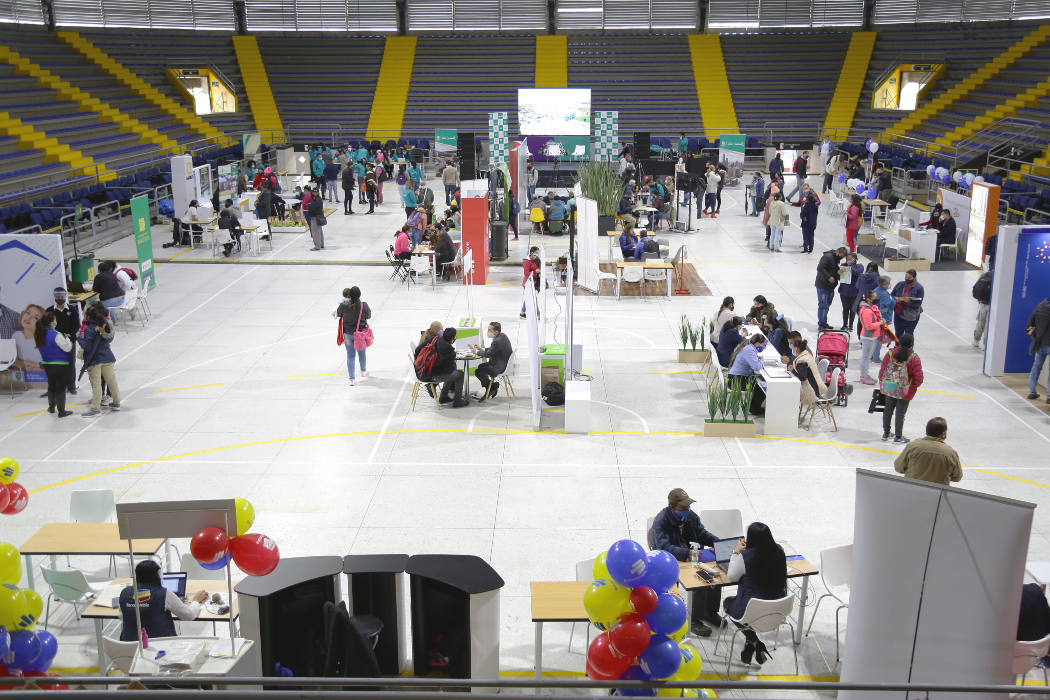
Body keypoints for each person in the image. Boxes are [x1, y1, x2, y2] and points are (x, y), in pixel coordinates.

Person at [651, 488, 720, 638]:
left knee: (716, 574)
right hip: (670, 560)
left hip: (692, 555)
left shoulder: (690, 516)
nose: (687, 509)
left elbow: (702, 533)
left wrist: (719, 544)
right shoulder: (661, 521)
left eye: (688, 506)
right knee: (701, 579)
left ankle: (710, 612)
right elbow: (663, 547)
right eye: (683, 507)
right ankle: (694, 619)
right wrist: (686, 553)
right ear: (672, 507)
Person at [723, 522, 787, 665]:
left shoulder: (745, 556)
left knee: (728, 603)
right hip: (778, 610)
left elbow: (732, 577)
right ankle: (752, 644)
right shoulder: (779, 551)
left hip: (751, 611)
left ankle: (755, 642)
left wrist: (735, 553)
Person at [119, 560, 208, 642]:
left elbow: (121, 616)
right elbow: (189, 615)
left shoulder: (125, 592)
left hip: (130, 647)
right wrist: (196, 601)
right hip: (159, 645)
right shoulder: (163, 594)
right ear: (158, 576)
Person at [879, 333, 923, 443]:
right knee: (900, 413)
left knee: (888, 410)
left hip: (890, 387)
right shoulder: (914, 358)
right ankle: (898, 437)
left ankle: (886, 433)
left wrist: (882, 383)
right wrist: (913, 387)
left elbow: (883, 370)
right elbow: (918, 377)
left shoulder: (890, 353)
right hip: (905, 390)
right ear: (912, 344)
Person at [78, 305, 120, 417]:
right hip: (108, 357)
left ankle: (95, 409)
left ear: (87, 316)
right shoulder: (107, 326)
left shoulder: (89, 330)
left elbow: (87, 347)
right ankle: (116, 402)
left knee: (96, 385)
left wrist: (79, 338)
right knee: (111, 381)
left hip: (94, 360)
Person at [894, 417, 962, 485]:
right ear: (943, 434)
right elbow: (957, 477)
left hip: (913, 490)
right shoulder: (950, 452)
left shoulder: (913, 446)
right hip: (937, 493)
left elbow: (898, 467)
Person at [418, 327, 468, 407]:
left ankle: (444, 396)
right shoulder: (450, 352)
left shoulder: (437, 340)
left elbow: (418, 349)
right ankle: (457, 400)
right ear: (452, 340)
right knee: (460, 374)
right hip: (435, 376)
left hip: (426, 371)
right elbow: (447, 371)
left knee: (453, 371)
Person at [35, 312, 73, 417]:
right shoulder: (56, 335)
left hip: (47, 364)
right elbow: (67, 348)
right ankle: (61, 411)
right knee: (60, 388)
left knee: (51, 386)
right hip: (60, 364)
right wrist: (67, 339)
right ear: (51, 323)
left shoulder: (39, 334)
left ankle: (51, 407)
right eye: (55, 320)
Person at [46, 287, 79, 396]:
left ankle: (71, 386)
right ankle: (57, 387)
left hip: (69, 341)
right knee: (56, 365)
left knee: (70, 364)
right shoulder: (49, 310)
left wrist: (69, 334)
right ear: (54, 297)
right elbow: (46, 325)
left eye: (62, 297)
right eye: (57, 297)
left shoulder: (72, 309)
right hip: (55, 342)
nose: (60, 299)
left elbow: (76, 325)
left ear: (65, 296)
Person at [471, 322, 512, 401]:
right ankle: (491, 387)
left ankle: (491, 387)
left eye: (489, 330)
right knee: (480, 366)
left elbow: (487, 355)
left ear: (496, 332)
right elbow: (493, 349)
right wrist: (481, 349)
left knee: (477, 372)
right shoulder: (502, 336)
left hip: (499, 367)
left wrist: (476, 352)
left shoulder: (497, 341)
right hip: (503, 363)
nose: (488, 332)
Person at [729, 333, 767, 416]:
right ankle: (754, 409)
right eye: (763, 345)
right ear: (757, 344)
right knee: (761, 388)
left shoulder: (749, 348)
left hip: (738, 376)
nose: (763, 347)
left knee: (758, 385)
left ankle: (753, 407)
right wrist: (761, 362)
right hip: (736, 380)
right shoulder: (749, 350)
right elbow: (757, 367)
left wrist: (757, 360)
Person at [337, 287, 369, 385]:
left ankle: (352, 379)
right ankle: (363, 371)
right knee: (362, 352)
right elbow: (368, 316)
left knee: (350, 356)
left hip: (348, 333)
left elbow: (338, 313)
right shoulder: (364, 305)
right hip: (360, 334)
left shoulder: (344, 305)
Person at [857, 290, 887, 385]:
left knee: (868, 357)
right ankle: (863, 376)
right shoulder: (866, 311)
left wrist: (880, 320)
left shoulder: (872, 308)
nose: (876, 299)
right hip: (868, 337)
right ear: (869, 299)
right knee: (865, 357)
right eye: (874, 297)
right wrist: (880, 323)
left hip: (873, 336)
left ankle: (866, 374)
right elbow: (868, 326)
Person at [787, 337, 826, 411]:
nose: (791, 348)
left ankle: (790, 412)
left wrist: (792, 370)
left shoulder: (802, 360)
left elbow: (802, 377)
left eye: (793, 346)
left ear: (797, 349)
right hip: (816, 385)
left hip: (812, 390)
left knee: (788, 391)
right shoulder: (806, 354)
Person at [815, 247, 846, 330]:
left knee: (827, 305)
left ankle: (824, 322)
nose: (841, 258)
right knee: (823, 305)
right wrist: (828, 277)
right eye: (840, 256)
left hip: (831, 286)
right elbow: (820, 268)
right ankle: (821, 324)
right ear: (837, 251)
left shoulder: (835, 259)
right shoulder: (827, 257)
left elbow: (832, 269)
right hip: (823, 285)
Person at [1026, 297, 1050, 401]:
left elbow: (1030, 324)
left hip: (1040, 343)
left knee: (1036, 367)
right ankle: (1049, 396)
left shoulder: (1040, 306)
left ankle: (1032, 392)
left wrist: (1034, 335)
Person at [891, 270, 924, 339]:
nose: (907, 279)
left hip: (911, 315)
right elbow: (892, 294)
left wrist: (909, 301)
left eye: (909, 278)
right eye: (906, 277)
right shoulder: (900, 284)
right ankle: (897, 349)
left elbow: (919, 303)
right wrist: (895, 298)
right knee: (898, 334)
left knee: (908, 335)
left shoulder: (919, 288)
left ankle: (908, 349)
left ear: (914, 278)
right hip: (898, 313)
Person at [838, 252, 862, 332]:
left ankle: (851, 324)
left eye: (849, 259)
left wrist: (850, 268)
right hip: (844, 291)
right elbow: (839, 277)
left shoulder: (859, 267)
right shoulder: (843, 266)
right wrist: (838, 273)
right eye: (847, 259)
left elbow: (858, 273)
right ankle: (845, 324)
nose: (848, 260)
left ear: (854, 259)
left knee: (852, 309)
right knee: (845, 308)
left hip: (854, 292)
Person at [972, 270, 993, 349]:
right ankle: (985, 343)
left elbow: (977, 287)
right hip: (992, 304)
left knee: (981, 322)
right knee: (988, 324)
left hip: (983, 303)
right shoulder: (999, 277)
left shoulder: (985, 274)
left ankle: (976, 340)